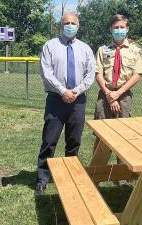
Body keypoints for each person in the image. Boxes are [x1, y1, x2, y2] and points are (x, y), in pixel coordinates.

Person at [36, 12, 96, 194]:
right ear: (60, 25)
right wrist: (63, 91)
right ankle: (42, 178)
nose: (70, 25)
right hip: (56, 99)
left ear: (79, 26)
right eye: (66, 23)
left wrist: (75, 91)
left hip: (78, 100)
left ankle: (71, 175)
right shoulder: (50, 46)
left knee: (74, 141)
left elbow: (90, 73)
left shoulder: (85, 48)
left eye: (73, 23)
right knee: (49, 140)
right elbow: (46, 72)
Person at [94, 15, 142, 166]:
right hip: (105, 94)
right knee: (101, 132)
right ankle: (97, 169)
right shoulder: (103, 50)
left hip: (124, 96)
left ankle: (122, 174)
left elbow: (137, 75)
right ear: (111, 29)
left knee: (124, 133)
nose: (119, 30)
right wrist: (109, 94)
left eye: (122, 27)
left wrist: (118, 93)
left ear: (127, 29)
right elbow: (98, 73)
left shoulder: (135, 50)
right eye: (116, 27)